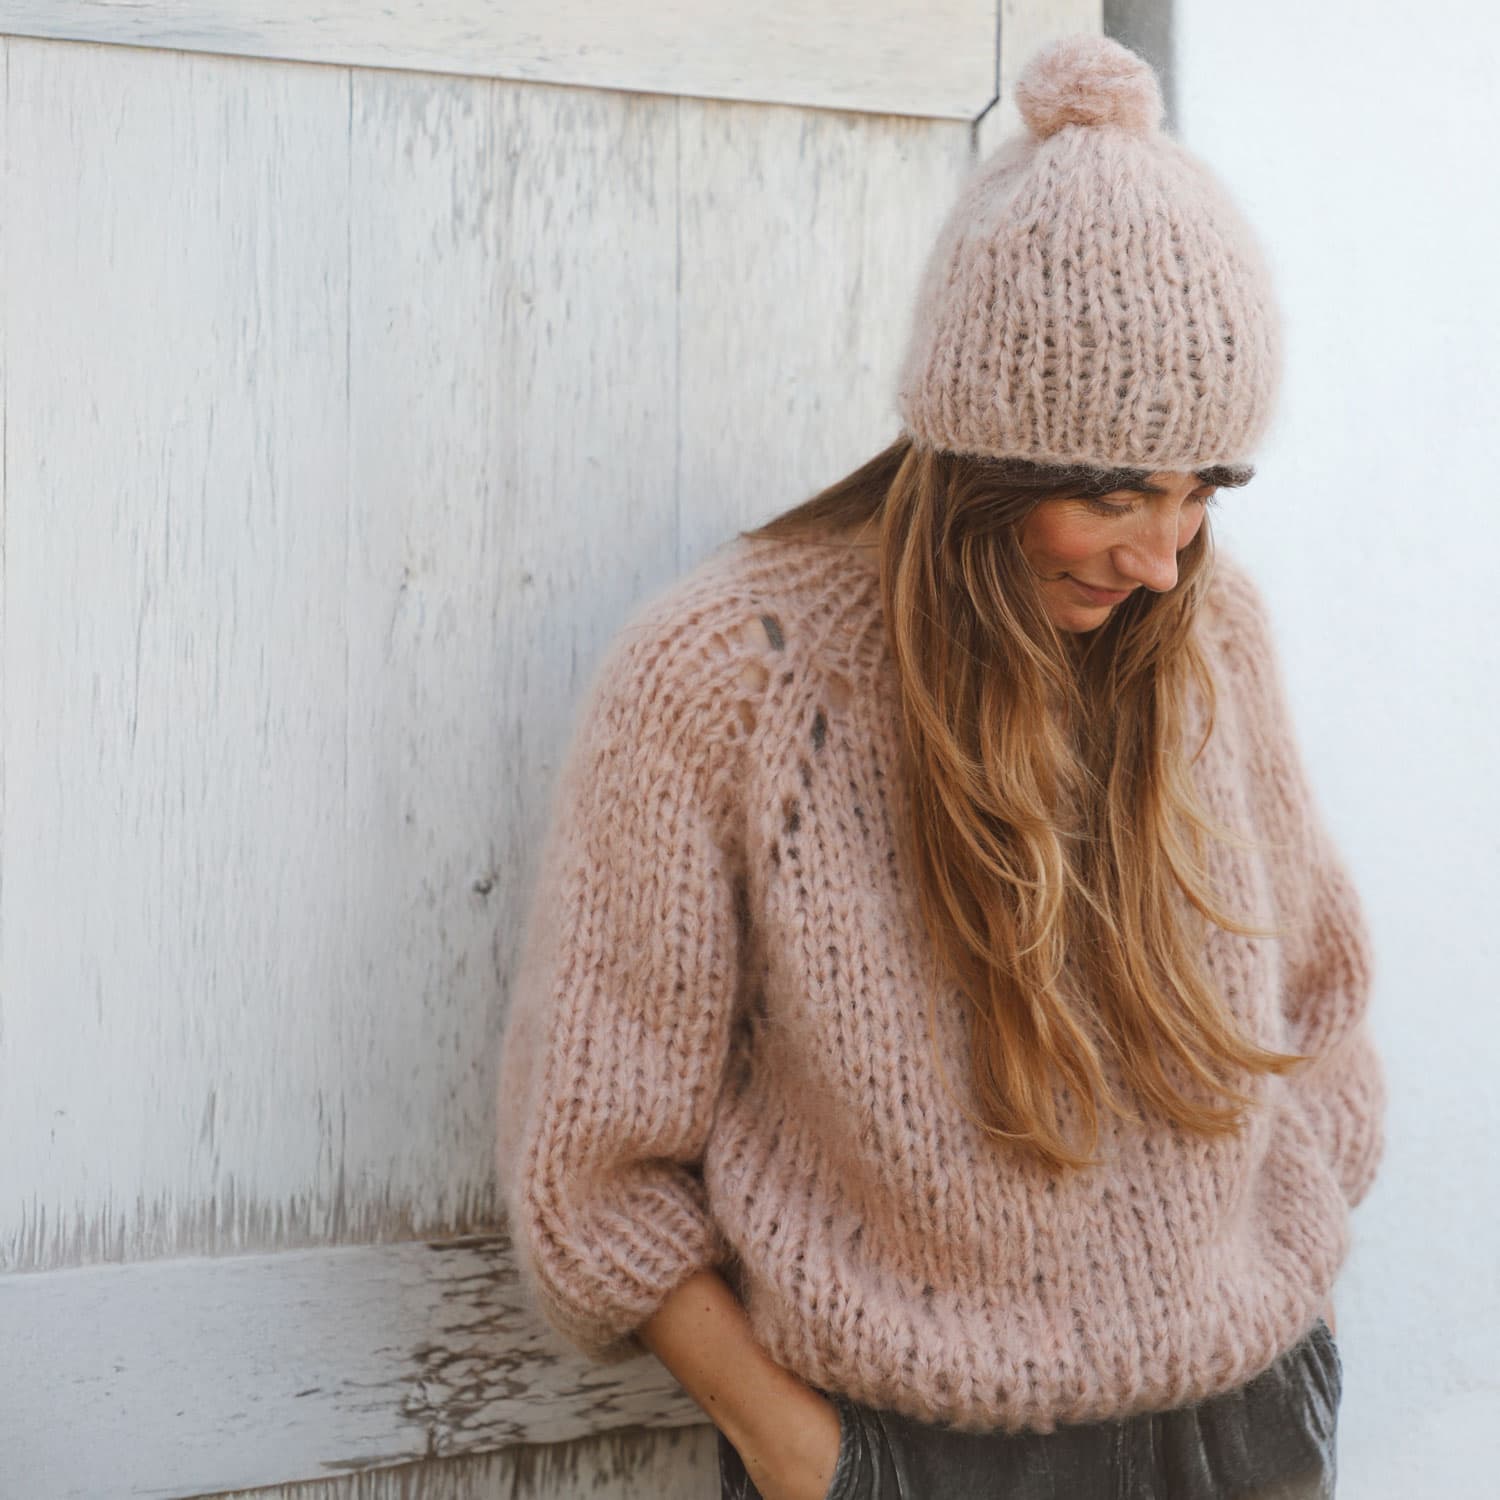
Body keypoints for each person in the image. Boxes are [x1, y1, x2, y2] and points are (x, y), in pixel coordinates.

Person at [494, 33, 1386, 1500]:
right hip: (909, 1457)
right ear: (989, 462)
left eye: (1200, 492)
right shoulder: (731, 675)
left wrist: (1303, 1320)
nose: (1163, 558)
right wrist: (809, 1458)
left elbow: (1318, 1010)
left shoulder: (1207, 637)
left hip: (1242, 1429)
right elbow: (595, 1168)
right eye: (1117, 495)